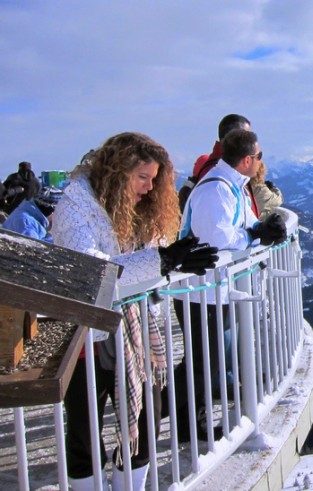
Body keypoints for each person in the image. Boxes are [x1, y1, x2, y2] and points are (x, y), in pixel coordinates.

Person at [51, 132, 218, 491]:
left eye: (154, 179)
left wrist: (170, 261)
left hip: (135, 333)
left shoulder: (139, 212)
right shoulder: (76, 206)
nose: (149, 187)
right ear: (117, 170)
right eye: (143, 177)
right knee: (85, 432)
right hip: (86, 339)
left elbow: (151, 263)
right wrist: (159, 261)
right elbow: (90, 271)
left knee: (144, 426)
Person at [174, 128, 286, 441]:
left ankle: (190, 425)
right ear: (247, 159)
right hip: (197, 291)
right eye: (259, 156)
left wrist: (263, 227)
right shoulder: (216, 190)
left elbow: (245, 223)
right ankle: (158, 413)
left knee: (205, 363)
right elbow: (219, 239)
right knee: (201, 365)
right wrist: (254, 236)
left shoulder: (232, 186)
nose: (261, 161)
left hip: (211, 290)